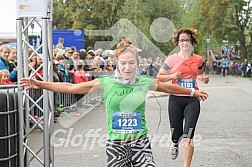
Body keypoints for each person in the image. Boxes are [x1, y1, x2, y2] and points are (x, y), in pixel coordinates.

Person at [20, 38, 208, 167]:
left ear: (137, 63)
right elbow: (70, 88)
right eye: (123, 63)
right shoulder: (106, 82)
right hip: (116, 144)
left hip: (140, 143)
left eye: (132, 63)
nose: (128, 67)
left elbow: (170, 88)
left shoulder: (144, 82)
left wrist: (193, 91)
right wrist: (39, 83)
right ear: (117, 63)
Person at [156, 28, 209, 167]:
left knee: (188, 135)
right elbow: (159, 77)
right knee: (176, 133)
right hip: (175, 99)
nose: (184, 43)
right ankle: (174, 143)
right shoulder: (171, 59)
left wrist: (203, 78)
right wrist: (172, 76)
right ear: (178, 43)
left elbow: (199, 73)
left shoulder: (198, 59)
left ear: (192, 42)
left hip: (192, 99)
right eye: (182, 40)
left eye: (187, 40)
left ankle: (186, 165)